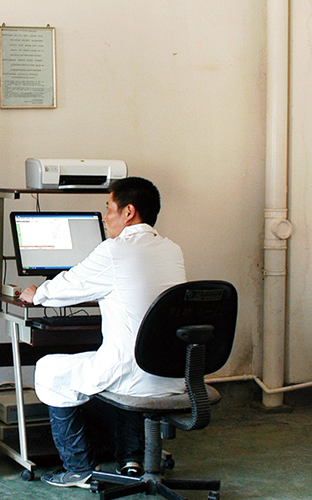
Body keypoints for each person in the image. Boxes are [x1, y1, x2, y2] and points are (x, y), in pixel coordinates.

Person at [18, 176, 187, 488]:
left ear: (128, 212)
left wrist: (36, 293)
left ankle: (78, 468)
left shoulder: (114, 250)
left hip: (132, 372)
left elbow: (69, 285)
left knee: (49, 370)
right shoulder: (171, 249)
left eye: (109, 208)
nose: (105, 217)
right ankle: (131, 459)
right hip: (172, 373)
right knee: (124, 367)